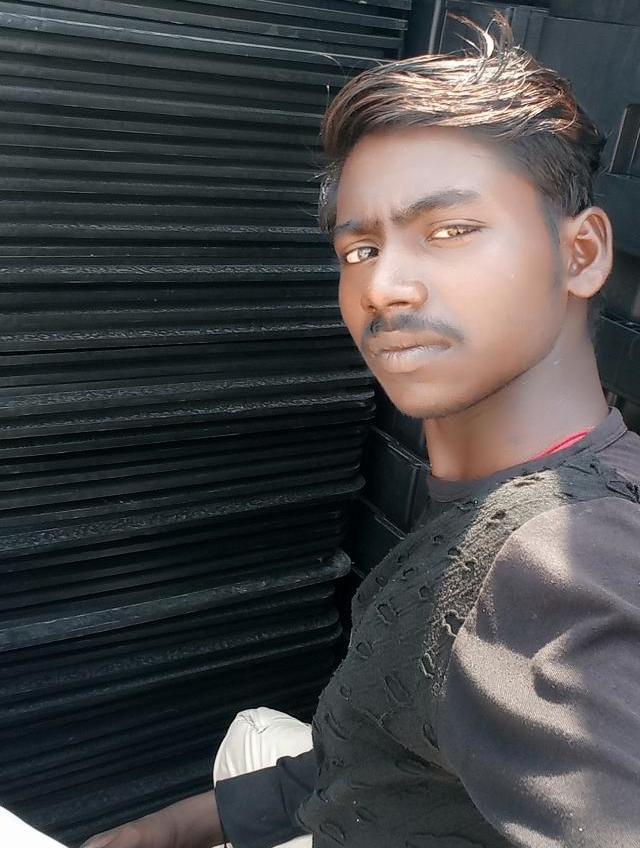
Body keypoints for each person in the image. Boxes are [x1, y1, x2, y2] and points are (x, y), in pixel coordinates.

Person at [80, 16, 640, 848]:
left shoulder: (555, 574)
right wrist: (167, 829)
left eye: (448, 231)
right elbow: (378, 737)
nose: (383, 286)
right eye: (360, 249)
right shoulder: (554, 481)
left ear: (582, 254)